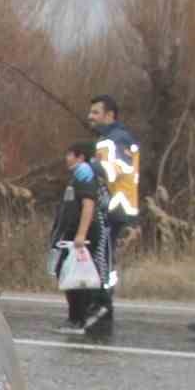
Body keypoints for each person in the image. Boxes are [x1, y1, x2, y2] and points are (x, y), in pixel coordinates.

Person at [50, 141, 114, 336]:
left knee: (77, 278)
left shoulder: (84, 175)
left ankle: (80, 318)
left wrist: (81, 234)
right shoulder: (77, 176)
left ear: (81, 157)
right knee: (70, 275)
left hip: (83, 237)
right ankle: (78, 317)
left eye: (71, 154)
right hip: (72, 236)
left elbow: (88, 206)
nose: (66, 158)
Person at [87, 94, 139, 308]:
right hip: (109, 204)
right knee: (103, 252)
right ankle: (101, 297)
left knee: (104, 253)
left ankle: (102, 301)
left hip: (117, 205)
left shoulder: (118, 138)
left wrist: (89, 167)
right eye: (90, 112)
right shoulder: (107, 139)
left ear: (110, 115)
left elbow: (120, 168)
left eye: (95, 112)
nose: (90, 116)